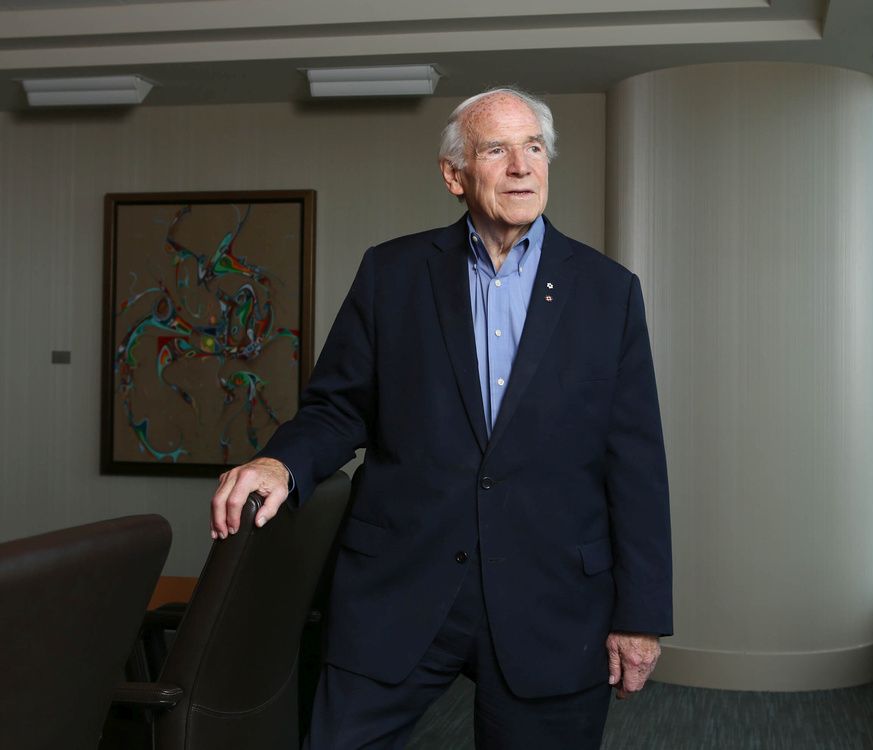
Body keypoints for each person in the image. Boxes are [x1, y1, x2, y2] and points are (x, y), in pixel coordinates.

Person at [210, 86, 672, 750]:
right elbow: (338, 407)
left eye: (534, 147)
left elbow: (636, 460)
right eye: (497, 149)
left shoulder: (609, 292)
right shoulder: (391, 274)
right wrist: (281, 461)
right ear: (455, 175)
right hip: (399, 584)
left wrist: (642, 615)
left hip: (553, 603)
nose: (522, 166)